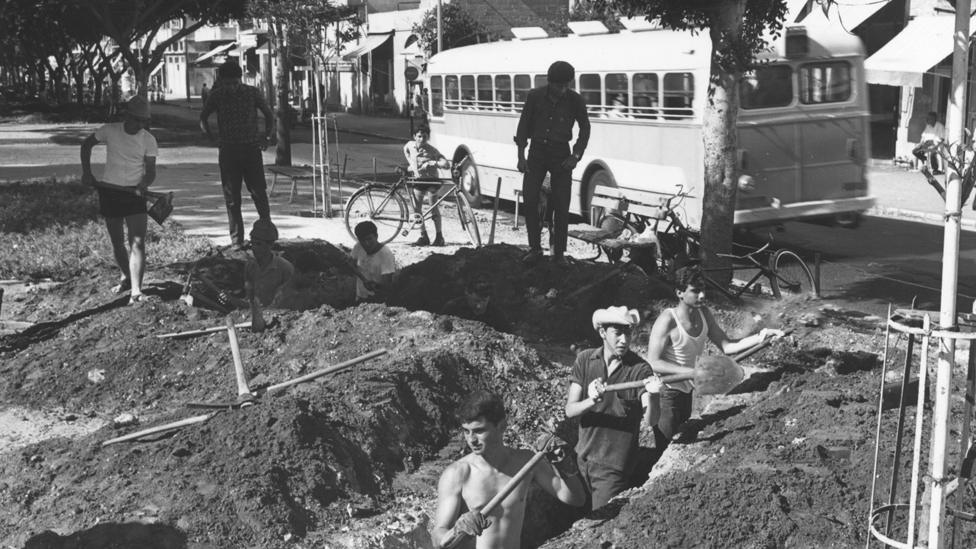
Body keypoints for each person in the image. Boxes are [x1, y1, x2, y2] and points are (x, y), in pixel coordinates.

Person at [646, 266, 784, 451]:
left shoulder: (704, 314)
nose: (702, 295)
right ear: (679, 292)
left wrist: (762, 336)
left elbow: (727, 346)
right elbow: (654, 362)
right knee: (664, 446)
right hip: (667, 394)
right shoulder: (668, 320)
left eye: (703, 289)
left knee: (681, 441)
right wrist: (692, 372)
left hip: (687, 391)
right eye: (695, 291)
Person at [431, 391, 586, 548]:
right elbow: (438, 537)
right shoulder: (458, 473)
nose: (471, 439)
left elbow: (575, 499)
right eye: (466, 431)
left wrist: (563, 463)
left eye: (479, 431)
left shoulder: (525, 463)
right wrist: (457, 530)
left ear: (501, 426)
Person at [564, 306, 661, 510]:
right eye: (617, 333)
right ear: (602, 333)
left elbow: (651, 420)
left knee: (599, 527)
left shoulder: (639, 369)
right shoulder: (585, 360)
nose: (624, 340)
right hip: (582, 459)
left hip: (613, 468)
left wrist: (653, 395)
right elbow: (570, 410)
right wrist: (591, 399)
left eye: (628, 333)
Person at [80, 95, 158, 305]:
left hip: (134, 194)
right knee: (117, 242)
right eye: (136, 119)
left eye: (143, 121)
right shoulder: (110, 130)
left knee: (138, 242)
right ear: (127, 116)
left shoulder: (148, 139)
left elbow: (150, 171)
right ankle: (126, 276)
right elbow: (86, 145)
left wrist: (143, 184)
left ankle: (136, 290)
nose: (140, 125)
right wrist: (87, 173)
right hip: (110, 192)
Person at [514, 60, 590, 266]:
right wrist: (521, 156)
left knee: (561, 203)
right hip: (537, 152)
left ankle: (558, 253)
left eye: (566, 85)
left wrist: (575, 156)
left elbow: (585, 128)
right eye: (558, 86)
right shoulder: (535, 97)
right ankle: (534, 248)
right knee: (530, 199)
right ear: (550, 82)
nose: (562, 90)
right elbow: (523, 127)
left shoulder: (575, 100)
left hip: (561, 155)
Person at [200, 61, 274, 250]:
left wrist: (266, 136)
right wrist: (211, 137)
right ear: (222, 81)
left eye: (234, 82)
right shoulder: (217, 96)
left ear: (239, 79)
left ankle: (267, 233)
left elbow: (269, 115)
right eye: (227, 83)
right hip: (228, 151)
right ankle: (236, 240)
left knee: (259, 192)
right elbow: (203, 117)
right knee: (232, 198)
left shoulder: (252, 93)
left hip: (251, 149)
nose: (231, 87)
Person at [403, 125, 451, 246]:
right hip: (419, 181)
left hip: (432, 182)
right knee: (416, 209)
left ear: (428, 137)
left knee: (433, 208)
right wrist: (411, 166)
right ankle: (424, 236)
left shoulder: (432, 150)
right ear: (414, 137)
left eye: (424, 137)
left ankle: (439, 237)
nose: (422, 139)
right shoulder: (409, 145)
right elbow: (406, 151)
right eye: (419, 136)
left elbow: (446, 164)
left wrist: (433, 163)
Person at [244, 219, 294, 332]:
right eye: (252, 243)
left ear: (270, 245)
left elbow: (287, 303)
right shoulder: (250, 266)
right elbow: (249, 297)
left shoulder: (285, 268)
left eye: (258, 244)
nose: (254, 248)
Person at [441, 275, 511, 332]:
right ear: (467, 293)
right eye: (476, 301)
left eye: (484, 301)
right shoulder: (452, 309)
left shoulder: (497, 316)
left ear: (489, 298)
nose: (479, 306)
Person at [350, 221, 398, 302]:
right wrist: (363, 279)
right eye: (362, 240)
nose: (367, 243)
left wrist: (375, 286)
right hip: (360, 298)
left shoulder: (386, 255)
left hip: (377, 301)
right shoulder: (358, 246)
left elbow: (387, 286)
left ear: (376, 236)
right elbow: (351, 264)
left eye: (369, 239)